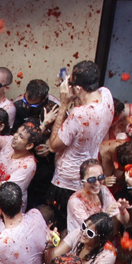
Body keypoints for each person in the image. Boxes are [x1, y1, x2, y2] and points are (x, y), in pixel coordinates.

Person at [50, 62, 116, 205]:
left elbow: (53, 146)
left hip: (67, 179)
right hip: (89, 172)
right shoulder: (106, 94)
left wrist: (64, 104)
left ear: (78, 88)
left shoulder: (79, 114)